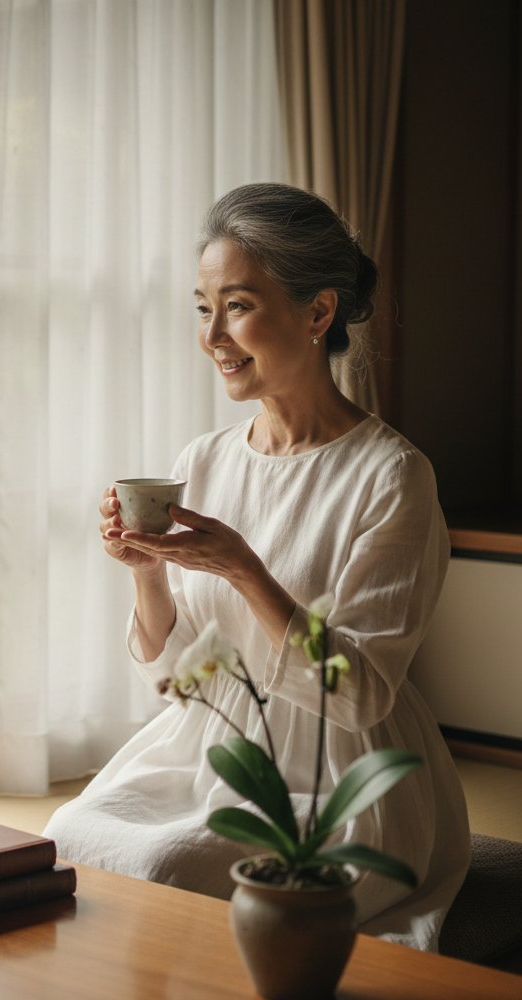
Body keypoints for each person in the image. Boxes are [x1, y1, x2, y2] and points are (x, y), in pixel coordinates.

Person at [42, 182, 470, 953]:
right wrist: (146, 570)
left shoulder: (392, 476)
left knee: (162, 865)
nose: (212, 335)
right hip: (208, 749)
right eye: (202, 308)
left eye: (236, 305)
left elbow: (360, 693)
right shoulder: (202, 461)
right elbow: (177, 679)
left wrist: (245, 570)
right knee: (71, 836)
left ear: (317, 313)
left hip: (334, 773)